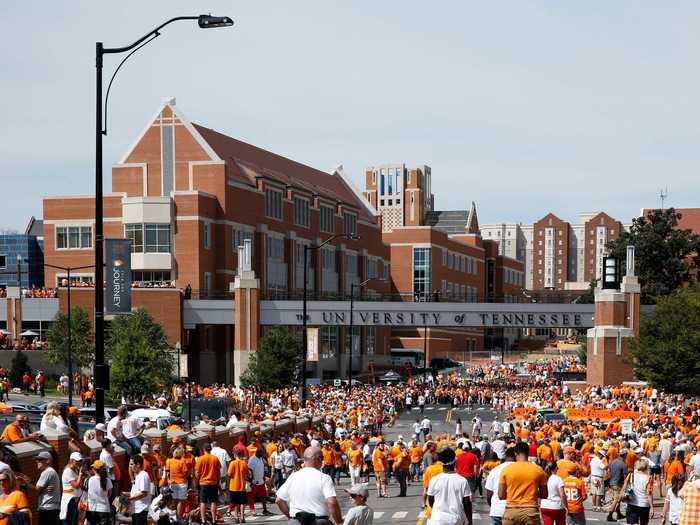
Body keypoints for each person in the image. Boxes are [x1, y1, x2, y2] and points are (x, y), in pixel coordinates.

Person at [275, 447, 342, 525]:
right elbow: (332, 502)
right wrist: (339, 522)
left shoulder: (293, 476)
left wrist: (290, 516)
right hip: (318, 521)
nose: (322, 461)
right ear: (318, 459)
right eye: (322, 458)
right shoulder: (324, 477)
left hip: (296, 521)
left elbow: (279, 500)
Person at [498, 441, 547, 525]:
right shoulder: (538, 470)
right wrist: (532, 492)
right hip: (531, 512)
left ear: (516, 453)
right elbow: (544, 494)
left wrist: (513, 493)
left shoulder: (506, 469)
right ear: (528, 453)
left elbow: (501, 495)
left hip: (511, 511)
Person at [427, 448, 473, 525]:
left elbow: (431, 501)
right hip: (455, 520)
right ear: (455, 462)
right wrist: (470, 521)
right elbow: (467, 503)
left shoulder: (434, 480)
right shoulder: (462, 480)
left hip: (437, 520)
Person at [18, 450, 59, 525]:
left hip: (47, 509)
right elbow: (39, 489)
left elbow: (37, 490)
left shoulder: (47, 472)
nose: (37, 461)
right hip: (51, 509)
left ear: (48, 461)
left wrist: (25, 483)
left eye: (40, 459)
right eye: (37, 459)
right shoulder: (51, 471)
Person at [620, 459, 654, 525]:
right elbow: (649, 494)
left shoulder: (631, 475)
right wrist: (652, 507)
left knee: (633, 522)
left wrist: (621, 496)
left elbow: (624, 486)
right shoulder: (649, 478)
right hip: (644, 504)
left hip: (632, 502)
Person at [194, 443, 221, 524]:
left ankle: (203, 520)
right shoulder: (215, 458)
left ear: (203, 450)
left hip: (203, 483)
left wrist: (197, 482)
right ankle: (213, 519)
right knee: (213, 501)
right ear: (210, 449)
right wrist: (218, 481)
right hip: (213, 482)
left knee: (203, 502)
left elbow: (197, 473)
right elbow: (218, 472)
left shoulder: (200, 459)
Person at [124, 454, 152, 525]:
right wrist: (126, 494)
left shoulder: (143, 475)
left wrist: (130, 499)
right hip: (136, 509)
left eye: (131, 464)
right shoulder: (138, 476)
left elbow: (144, 493)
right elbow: (137, 492)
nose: (130, 466)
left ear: (138, 464)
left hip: (141, 509)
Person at [60, 452, 85, 525]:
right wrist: (81, 474)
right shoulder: (68, 471)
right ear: (72, 460)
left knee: (74, 521)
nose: (79, 463)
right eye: (77, 461)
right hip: (70, 500)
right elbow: (76, 485)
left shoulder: (75, 470)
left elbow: (80, 485)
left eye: (80, 461)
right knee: (70, 521)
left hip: (75, 500)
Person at [86, 460, 112, 525]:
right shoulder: (107, 480)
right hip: (104, 509)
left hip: (91, 509)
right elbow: (109, 494)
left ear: (94, 469)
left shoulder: (90, 479)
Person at [228, 448, 250, 523]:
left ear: (235, 455)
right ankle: (242, 517)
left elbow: (229, 474)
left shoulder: (232, 463)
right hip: (242, 486)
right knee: (242, 503)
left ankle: (236, 517)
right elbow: (247, 474)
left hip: (233, 486)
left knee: (235, 503)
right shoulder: (244, 463)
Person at [607, 448, 629, 522]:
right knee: (616, 500)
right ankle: (609, 515)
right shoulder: (623, 464)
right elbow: (626, 476)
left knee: (617, 499)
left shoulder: (613, 462)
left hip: (612, 482)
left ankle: (619, 513)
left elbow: (609, 470)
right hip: (618, 484)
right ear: (625, 455)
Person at [247, 447, 271, 516]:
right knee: (251, 497)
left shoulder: (261, 458)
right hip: (255, 482)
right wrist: (252, 480)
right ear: (258, 452)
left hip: (261, 481)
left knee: (263, 496)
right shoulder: (252, 459)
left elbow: (262, 468)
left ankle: (265, 510)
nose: (263, 455)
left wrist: (265, 476)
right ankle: (252, 510)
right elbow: (249, 470)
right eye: (262, 453)